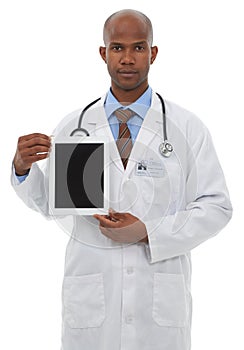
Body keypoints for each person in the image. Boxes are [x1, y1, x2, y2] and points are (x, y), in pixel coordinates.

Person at [11, 9, 232, 350]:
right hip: (93, 304)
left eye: (138, 48)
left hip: (158, 306)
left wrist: (148, 233)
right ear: (103, 53)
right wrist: (24, 169)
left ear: (153, 53)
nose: (127, 58)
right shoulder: (75, 126)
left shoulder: (186, 128)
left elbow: (217, 207)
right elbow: (52, 206)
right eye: (117, 48)